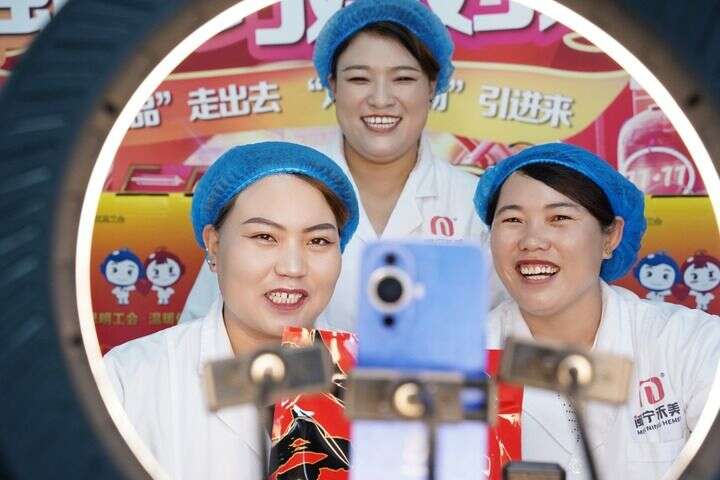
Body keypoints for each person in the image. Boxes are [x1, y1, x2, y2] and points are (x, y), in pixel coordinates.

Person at [179, 0, 503, 331]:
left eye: (403, 78)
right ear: (333, 85)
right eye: (359, 79)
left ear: (432, 86)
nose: (380, 99)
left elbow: (503, 332)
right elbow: (200, 331)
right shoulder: (266, 188)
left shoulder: (477, 210)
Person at [104, 142, 359, 480]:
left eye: (318, 241)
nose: (293, 267)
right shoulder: (129, 378)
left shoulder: (378, 382)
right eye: (265, 236)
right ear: (214, 245)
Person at [474, 143, 720, 480]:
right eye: (513, 219)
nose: (532, 240)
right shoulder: (459, 359)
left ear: (611, 237)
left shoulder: (690, 343)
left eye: (559, 218)